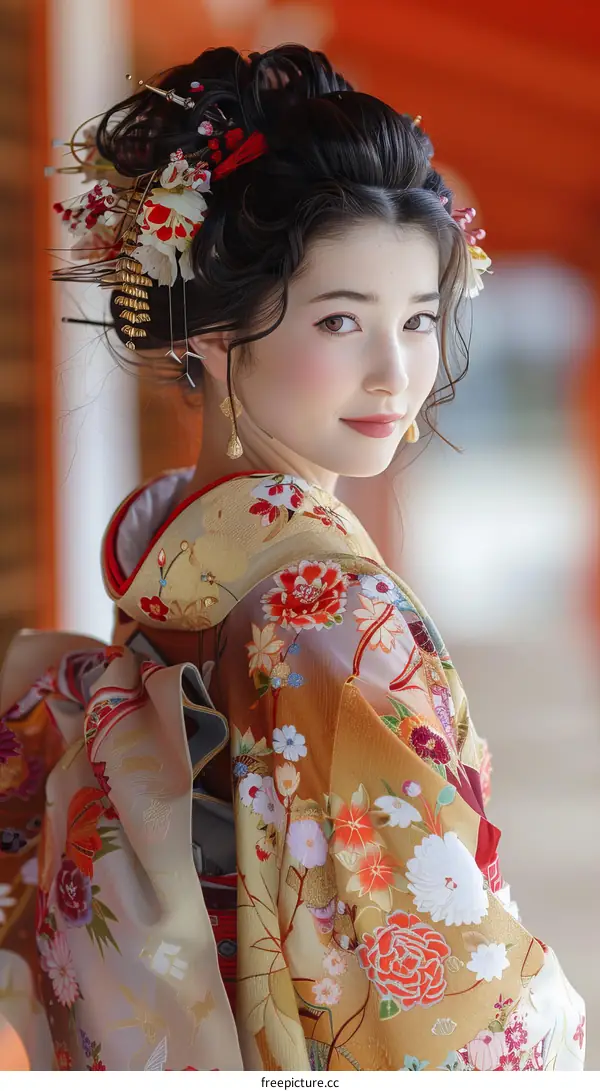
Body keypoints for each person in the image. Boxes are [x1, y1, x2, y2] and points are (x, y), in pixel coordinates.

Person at [0, 45, 585, 1072]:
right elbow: (440, 992)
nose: (395, 371)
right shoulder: (325, 604)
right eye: (340, 320)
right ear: (218, 334)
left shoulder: (171, 544)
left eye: (417, 319)